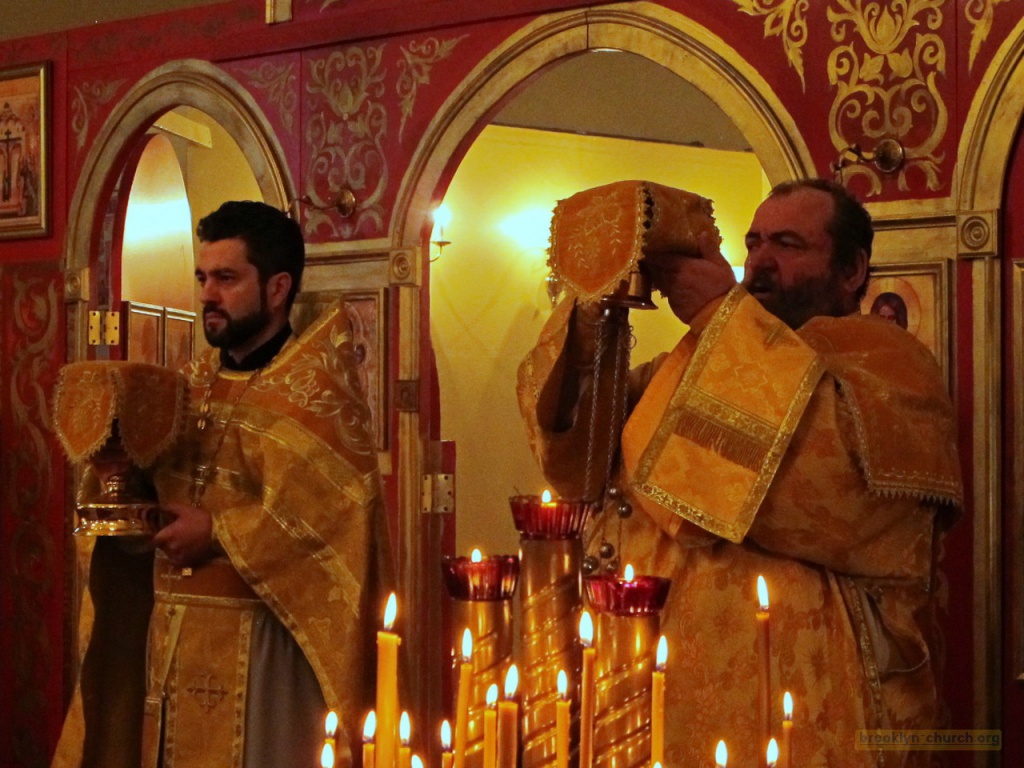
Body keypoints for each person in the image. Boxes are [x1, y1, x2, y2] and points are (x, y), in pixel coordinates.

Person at [517, 179, 962, 768]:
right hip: (646, 686)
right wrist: (589, 327)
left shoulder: (887, 362)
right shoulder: (700, 355)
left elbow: (825, 494)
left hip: (795, 705)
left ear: (852, 270)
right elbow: (580, 461)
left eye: (788, 244)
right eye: (754, 243)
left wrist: (719, 314)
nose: (760, 261)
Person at [52, 201, 390, 768]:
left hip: (264, 652)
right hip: (172, 644)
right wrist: (118, 482)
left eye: (226, 279)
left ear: (277, 288)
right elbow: (147, 502)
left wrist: (217, 532)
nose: (208, 294)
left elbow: (334, 530)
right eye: (202, 278)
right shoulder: (188, 385)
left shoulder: (319, 399)